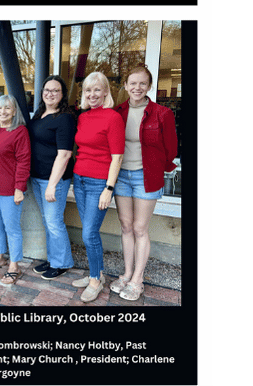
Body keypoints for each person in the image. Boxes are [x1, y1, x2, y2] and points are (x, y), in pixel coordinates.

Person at [111, 65, 178, 301]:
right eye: (133, 83)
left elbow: (171, 149)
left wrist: (157, 169)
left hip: (145, 177)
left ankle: (138, 279)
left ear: (149, 86)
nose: (137, 88)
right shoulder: (117, 111)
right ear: (126, 86)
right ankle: (127, 273)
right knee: (126, 226)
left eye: (142, 83)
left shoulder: (162, 114)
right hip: (121, 177)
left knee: (140, 228)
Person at [70, 72, 125, 302]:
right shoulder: (83, 117)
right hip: (80, 179)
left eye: (97, 90)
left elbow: (118, 157)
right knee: (90, 231)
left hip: (98, 184)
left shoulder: (112, 118)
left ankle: (94, 280)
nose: (92, 95)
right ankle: (98, 274)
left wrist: (108, 189)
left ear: (105, 92)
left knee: (89, 233)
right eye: (88, 91)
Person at [0, 95, 31, 285]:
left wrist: (19, 188)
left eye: (7, 108)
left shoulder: (19, 132)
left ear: (14, 111)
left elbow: (24, 162)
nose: (3, 112)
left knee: (12, 228)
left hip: (9, 190)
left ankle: (14, 265)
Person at [29, 75, 76, 280]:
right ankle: (53, 259)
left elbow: (64, 154)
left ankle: (62, 263)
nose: (51, 94)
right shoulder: (39, 115)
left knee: (54, 222)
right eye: (47, 90)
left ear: (62, 94)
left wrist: (52, 185)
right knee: (48, 221)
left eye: (56, 90)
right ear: (42, 92)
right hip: (38, 177)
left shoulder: (64, 118)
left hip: (53, 180)